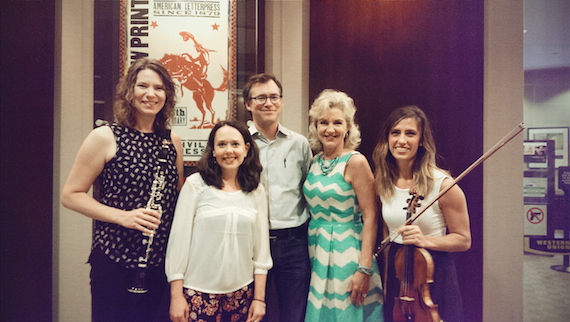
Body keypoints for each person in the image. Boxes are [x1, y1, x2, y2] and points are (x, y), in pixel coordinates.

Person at [61, 57, 184, 321]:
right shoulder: (105, 136)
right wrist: (123, 217)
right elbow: (70, 196)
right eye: (143, 86)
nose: (151, 94)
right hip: (113, 259)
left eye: (159, 88)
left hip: (160, 262)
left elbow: (176, 199)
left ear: (167, 95)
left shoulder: (172, 141)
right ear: (129, 91)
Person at [166, 120, 272, 322]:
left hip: (242, 293)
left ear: (246, 149)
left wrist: (259, 299)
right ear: (213, 150)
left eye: (235, 144)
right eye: (221, 144)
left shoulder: (256, 190)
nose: (229, 150)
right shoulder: (196, 185)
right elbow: (178, 243)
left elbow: (261, 252)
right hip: (198, 293)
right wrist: (176, 296)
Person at [372, 105, 471, 322]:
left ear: (422, 140)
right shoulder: (383, 183)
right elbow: (388, 236)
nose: (401, 140)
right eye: (395, 133)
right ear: (387, 138)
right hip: (399, 273)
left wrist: (425, 240)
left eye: (410, 133)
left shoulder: (442, 184)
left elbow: (464, 240)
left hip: (432, 273)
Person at [303, 89, 384, 321]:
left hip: (347, 249)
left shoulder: (356, 162)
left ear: (348, 127)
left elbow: (371, 216)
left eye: (337, 122)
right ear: (315, 126)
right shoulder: (316, 161)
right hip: (317, 248)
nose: (330, 129)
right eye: (323, 122)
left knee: (347, 312)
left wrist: (364, 268)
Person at [243, 73, 313, 322]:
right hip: (249, 241)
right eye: (260, 97)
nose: (268, 103)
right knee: (252, 313)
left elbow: (308, 189)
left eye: (274, 97)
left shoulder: (300, 144)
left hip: (293, 242)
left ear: (281, 102)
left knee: (293, 314)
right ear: (248, 104)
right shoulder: (238, 143)